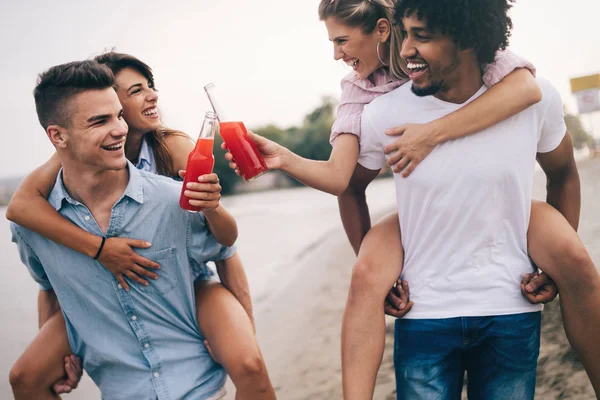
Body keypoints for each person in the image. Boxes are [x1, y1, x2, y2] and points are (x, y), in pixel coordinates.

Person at [223, 0, 600, 398]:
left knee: (576, 263)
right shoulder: (367, 101)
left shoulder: (508, 77)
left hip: (507, 291)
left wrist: (433, 132)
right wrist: (285, 158)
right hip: (425, 284)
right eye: (409, 33)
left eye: (343, 40)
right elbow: (343, 181)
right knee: (366, 276)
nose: (337, 54)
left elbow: (530, 96)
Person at [351, 0, 598, 397]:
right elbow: (349, 186)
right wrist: (380, 271)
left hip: (510, 310)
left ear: (466, 39)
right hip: (424, 313)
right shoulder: (384, 113)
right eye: (406, 33)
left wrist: (549, 265)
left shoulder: (534, 98)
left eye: (422, 36)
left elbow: (564, 174)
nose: (405, 50)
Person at [7, 56, 275, 399]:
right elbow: (47, 276)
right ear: (58, 136)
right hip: (99, 294)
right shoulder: (44, 200)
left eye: (117, 114)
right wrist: (99, 249)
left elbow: (226, 248)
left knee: (249, 363)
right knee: (25, 377)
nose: (151, 97)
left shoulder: (173, 154)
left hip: (187, 279)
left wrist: (243, 332)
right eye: (136, 91)